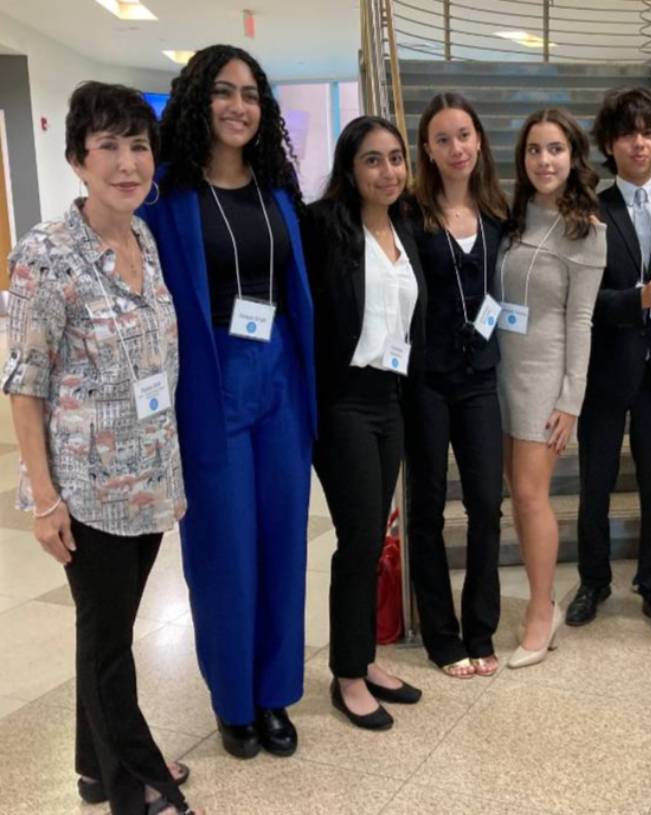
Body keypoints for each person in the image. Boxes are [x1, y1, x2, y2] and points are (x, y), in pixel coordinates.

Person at [4, 81, 201, 815]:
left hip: (148, 476)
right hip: (86, 486)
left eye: (138, 146)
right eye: (108, 147)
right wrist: (46, 497)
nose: (127, 163)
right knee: (109, 642)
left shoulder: (143, 238)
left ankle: (94, 765)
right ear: (77, 161)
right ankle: (136, 783)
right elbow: (24, 383)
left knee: (107, 629)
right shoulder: (45, 255)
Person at [138, 44, 316, 758]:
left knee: (283, 543)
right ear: (196, 102)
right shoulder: (166, 200)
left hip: (279, 378)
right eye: (223, 91)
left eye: (251, 94)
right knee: (224, 550)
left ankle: (275, 691)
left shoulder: (278, 195)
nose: (238, 106)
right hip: (208, 384)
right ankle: (233, 700)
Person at [567, 87, 651, 640]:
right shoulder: (590, 210)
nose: (639, 143)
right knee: (595, 481)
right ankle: (593, 581)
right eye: (628, 133)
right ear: (609, 143)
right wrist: (636, 300)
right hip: (606, 367)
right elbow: (578, 302)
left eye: (648, 133)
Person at [305, 116, 425, 728]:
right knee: (356, 541)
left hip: (389, 399)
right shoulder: (325, 226)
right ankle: (347, 675)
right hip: (343, 400)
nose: (388, 171)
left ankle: (365, 656)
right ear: (350, 169)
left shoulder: (404, 228)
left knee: (374, 538)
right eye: (373, 160)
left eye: (396, 159)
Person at [497, 108, 606, 668]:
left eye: (556, 149)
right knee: (517, 494)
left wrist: (571, 400)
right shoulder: (512, 217)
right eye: (535, 149)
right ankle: (542, 601)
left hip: (544, 375)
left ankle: (544, 609)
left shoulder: (586, 229)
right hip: (501, 370)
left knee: (533, 496)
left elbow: (580, 321)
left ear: (573, 156)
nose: (545, 160)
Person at [403, 93, 507, 679]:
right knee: (427, 510)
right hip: (427, 380)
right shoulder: (412, 215)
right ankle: (442, 636)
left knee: (487, 506)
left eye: (464, 135)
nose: (456, 148)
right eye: (443, 139)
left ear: (479, 140)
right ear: (427, 149)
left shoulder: (497, 213)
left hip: (480, 379)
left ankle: (481, 628)